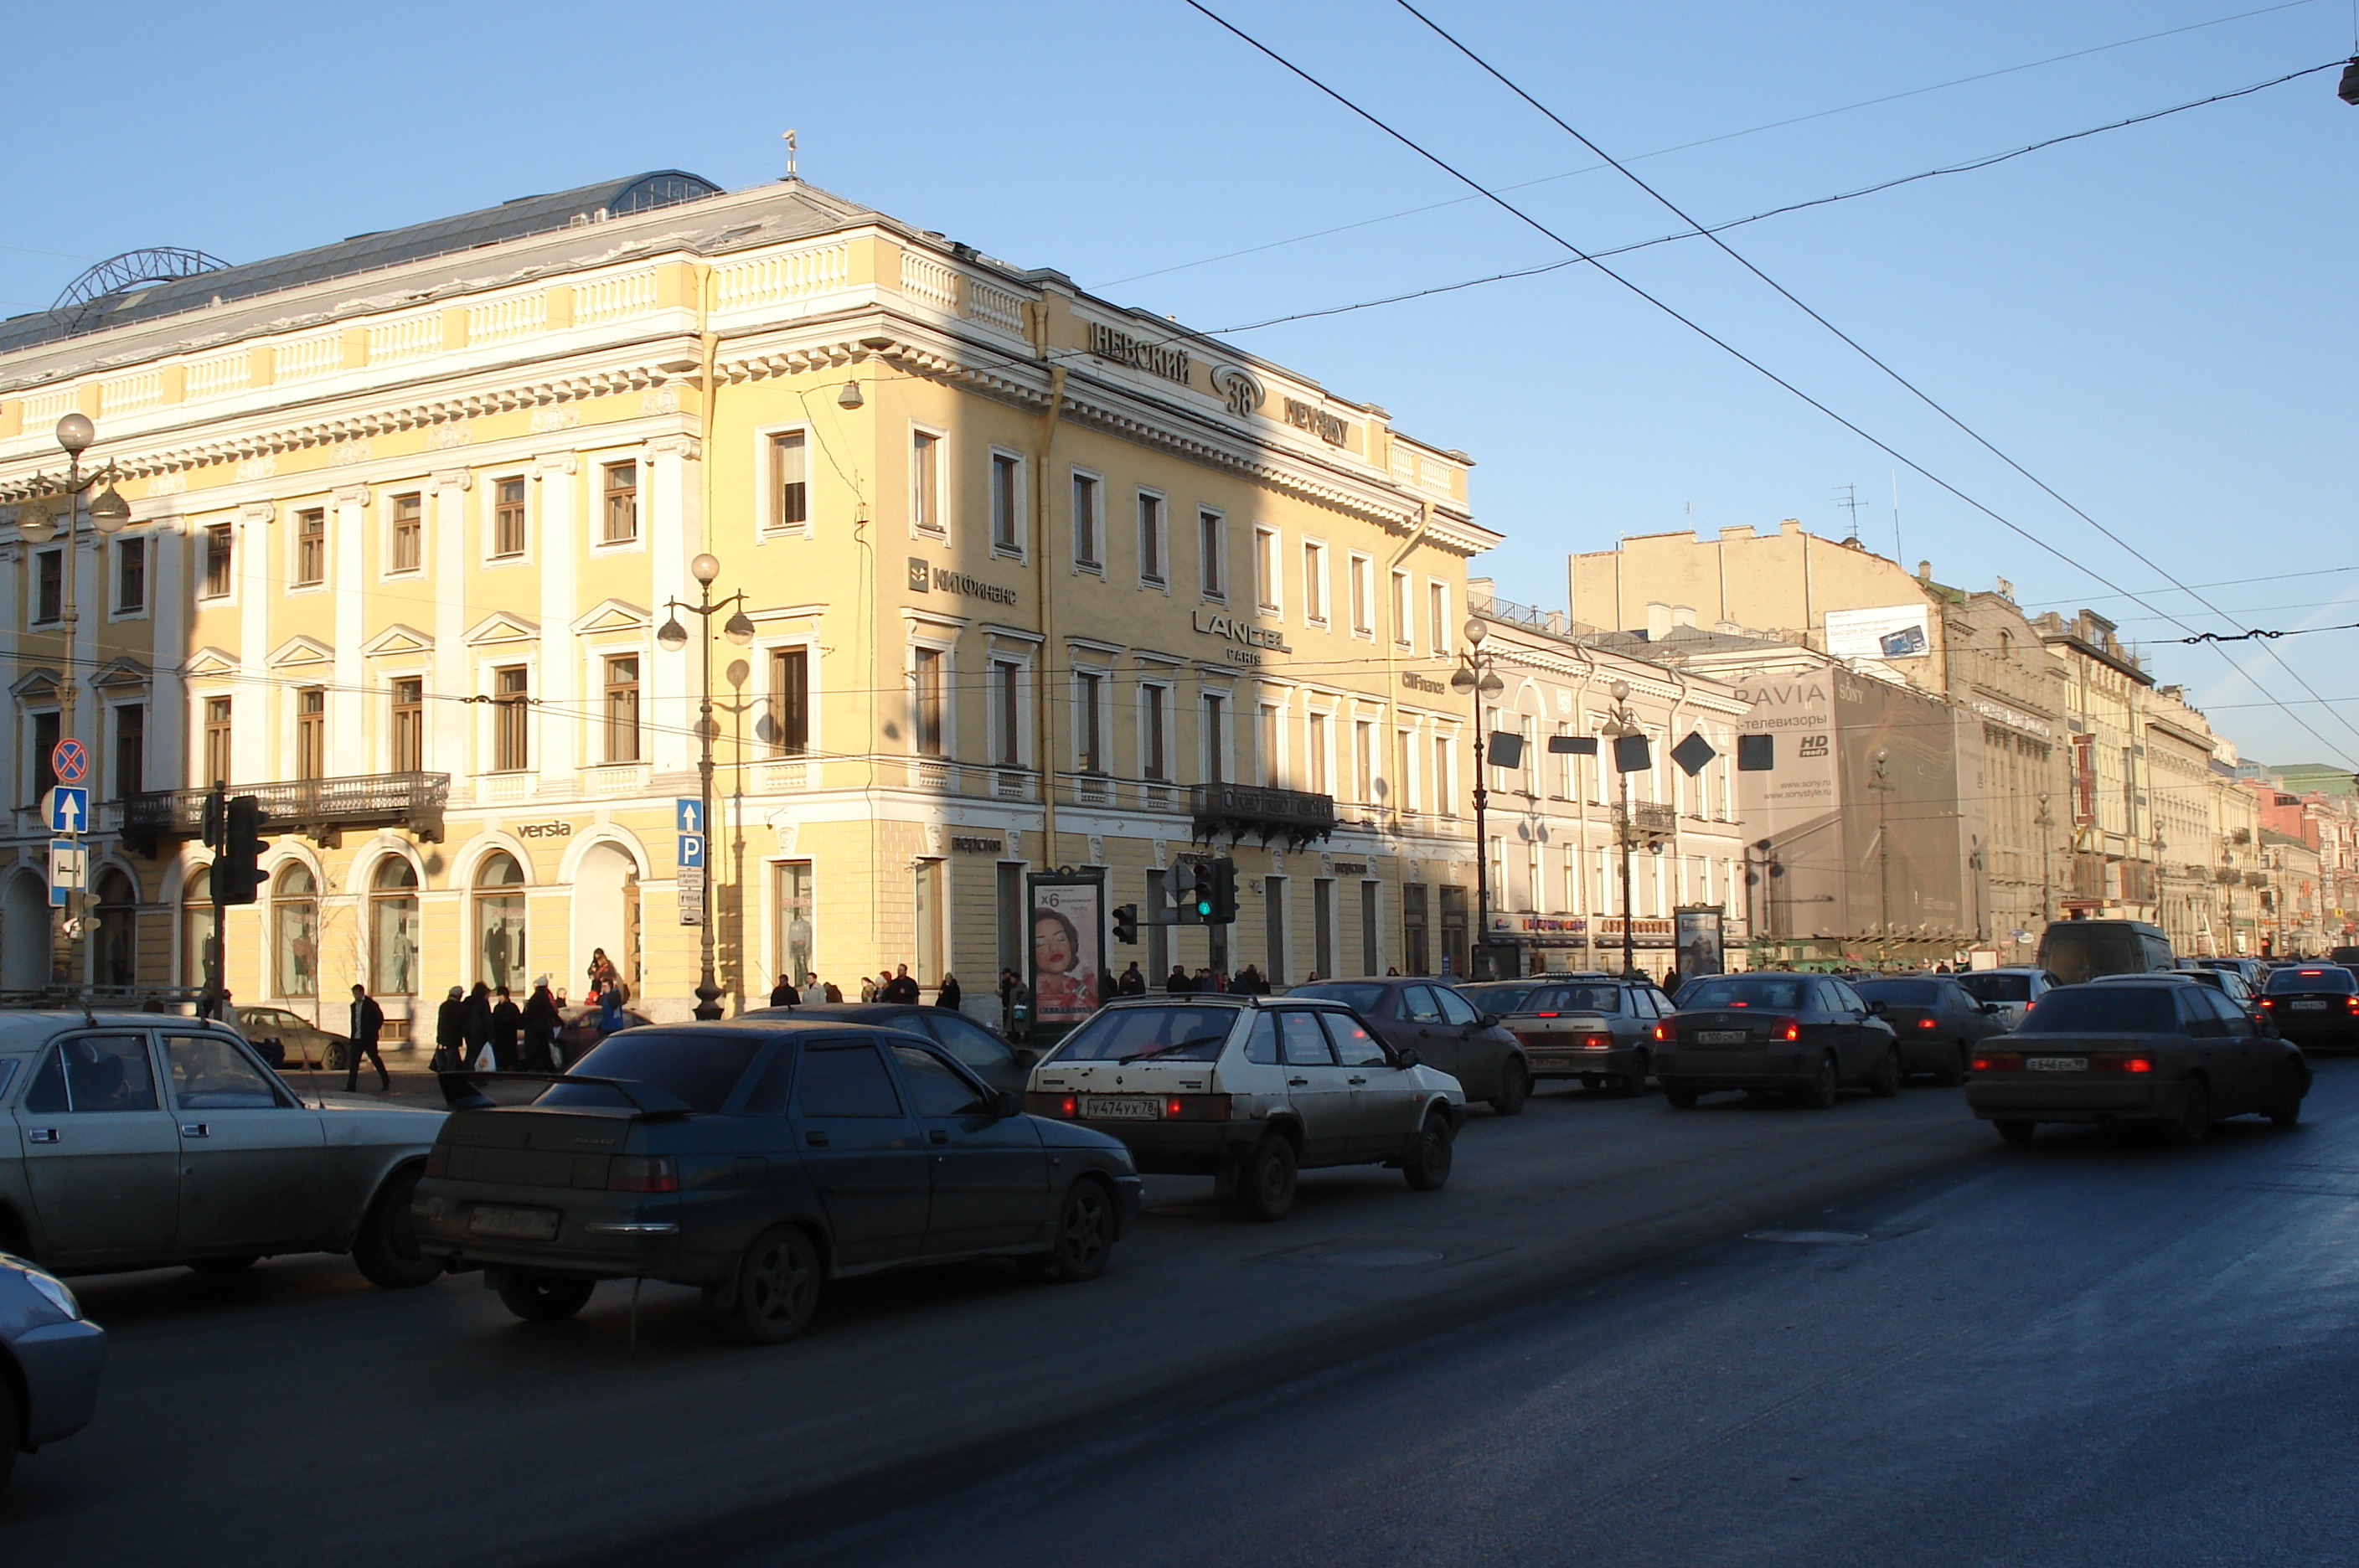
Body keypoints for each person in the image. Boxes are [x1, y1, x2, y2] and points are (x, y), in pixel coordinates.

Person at [344, 983, 390, 1091]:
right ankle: (351, 1086)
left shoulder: (370, 1005)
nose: (355, 996)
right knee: (354, 1063)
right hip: (357, 1038)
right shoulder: (354, 1006)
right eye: (354, 994)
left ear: (361, 993)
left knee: (375, 1059)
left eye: (357, 993)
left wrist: (371, 1032)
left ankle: (386, 1080)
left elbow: (379, 1019)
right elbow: (354, 1022)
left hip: (368, 1039)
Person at [523, 977, 562, 1071]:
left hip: (535, 1028)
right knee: (544, 1049)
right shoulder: (544, 997)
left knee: (540, 1048)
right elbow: (551, 1011)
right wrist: (561, 1022)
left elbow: (529, 1013)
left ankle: (542, 1067)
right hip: (543, 1027)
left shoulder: (534, 998)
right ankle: (548, 1069)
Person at [432, 985, 467, 1072]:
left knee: (452, 1057)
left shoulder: (444, 1006)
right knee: (451, 1059)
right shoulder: (459, 1007)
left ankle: (458, 1072)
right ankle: (449, 1075)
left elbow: (440, 1023)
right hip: (453, 1038)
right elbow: (461, 1023)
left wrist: (439, 1037)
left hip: (444, 1037)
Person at [491, 986, 522, 1070]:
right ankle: (503, 1065)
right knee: (501, 1051)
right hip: (500, 1034)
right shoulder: (498, 1007)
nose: (499, 998)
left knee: (509, 1051)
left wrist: (506, 1021)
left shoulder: (511, 1007)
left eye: (500, 995)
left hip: (509, 1034)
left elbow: (516, 1019)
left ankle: (510, 1065)